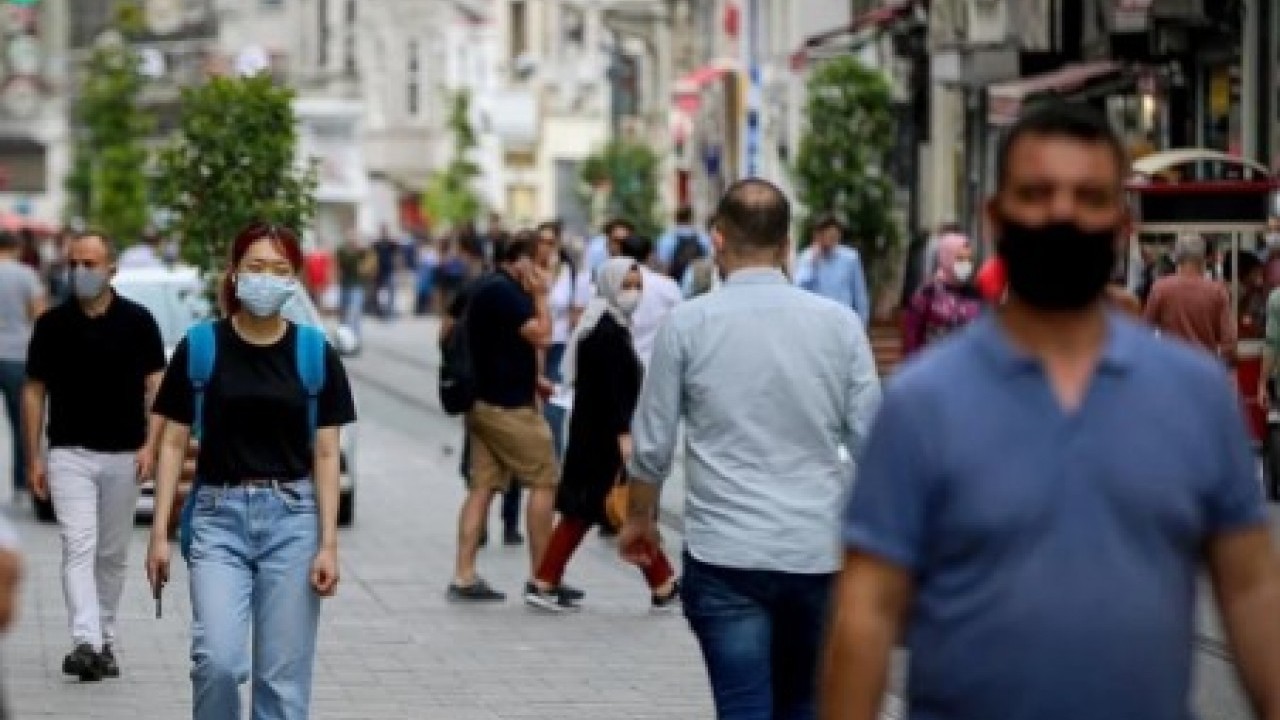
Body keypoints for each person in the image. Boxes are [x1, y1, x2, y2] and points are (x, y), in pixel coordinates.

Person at [824, 104, 1280, 720]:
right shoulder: (922, 404)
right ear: (997, 218)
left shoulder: (1194, 397)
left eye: (1088, 196)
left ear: (1121, 227)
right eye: (1037, 193)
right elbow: (867, 610)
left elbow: (1251, 589)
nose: (1062, 214)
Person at [623, 179, 882, 719]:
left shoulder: (686, 324)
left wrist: (640, 519)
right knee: (804, 704)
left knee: (742, 706)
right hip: (816, 548)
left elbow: (652, 443)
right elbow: (871, 440)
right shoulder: (839, 325)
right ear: (788, 245)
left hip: (726, 553)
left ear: (718, 239)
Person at [145, 221, 356, 720]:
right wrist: (159, 533)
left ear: (295, 279)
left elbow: (327, 454)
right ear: (235, 274)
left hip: (293, 519)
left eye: (280, 269)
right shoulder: (200, 347)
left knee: (280, 683)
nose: (266, 278)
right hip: (217, 518)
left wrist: (328, 543)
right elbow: (173, 440)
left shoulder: (314, 352)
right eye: (256, 266)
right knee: (217, 662)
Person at [24, 232, 166, 681]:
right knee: (78, 545)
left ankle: (103, 636)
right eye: (74, 263)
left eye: (89, 263)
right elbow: (33, 392)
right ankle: (85, 640)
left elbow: (157, 388)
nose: (80, 271)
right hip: (69, 452)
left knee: (112, 552)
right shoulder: (51, 325)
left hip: (125, 454)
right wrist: (34, 456)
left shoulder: (139, 322)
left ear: (111, 270)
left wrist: (151, 445)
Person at [526, 257, 678, 612]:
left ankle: (663, 583)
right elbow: (612, 391)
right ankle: (546, 581)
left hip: (594, 437)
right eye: (626, 285)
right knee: (615, 510)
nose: (634, 293)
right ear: (609, 285)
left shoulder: (608, 324)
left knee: (603, 511)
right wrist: (624, 434)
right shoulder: (606, 331)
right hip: (602, 441)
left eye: (638, 285)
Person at [448, 234, 563, 603]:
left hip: (484, 402)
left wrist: (534, 379)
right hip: (506, 408)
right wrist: (542, 297)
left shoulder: (484, 286)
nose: (546, 273)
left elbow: (496, 344)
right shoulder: (507, 293)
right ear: (522, 261)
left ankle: (464, 576)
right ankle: (542, 578)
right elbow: (543, 337)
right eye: (541, 263)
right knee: (544, 479)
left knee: (483, 486)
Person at [442, 236, 524, 546]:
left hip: (477, 391)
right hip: (504, 392)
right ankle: (509, 524)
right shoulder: (515, 293)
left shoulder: (476, 286)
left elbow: (445, 329)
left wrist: (453, 365)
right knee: (515, 461)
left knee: (478, 462)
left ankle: (484, 528)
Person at [1143, 233, 1235, 360]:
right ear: (1203, 258)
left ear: (1176, 258)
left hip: (1171, 365)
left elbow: (1145, 330)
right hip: (1205, 366)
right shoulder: (1217, 291)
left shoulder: (1160, 288)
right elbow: (1229, 341)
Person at [0, 231, 44, 496]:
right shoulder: (26, 275)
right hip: (17, 354)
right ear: (16, 248)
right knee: (22, 422)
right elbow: (39, 314)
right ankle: (20, 481)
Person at [901, 232, 982, 356]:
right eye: (960, 259)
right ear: (946, 258)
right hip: (935, 368)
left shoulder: (976, 293)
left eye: (968, 260)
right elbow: (912, 339)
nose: (966, 265)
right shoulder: (927, 294)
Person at [616, 235, 682, 368]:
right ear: (650, 255)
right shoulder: (668, 286)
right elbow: (681, 323)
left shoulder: (609, 286)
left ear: (621, 254)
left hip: (619, 363)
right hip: (656, 363)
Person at [795, 214, 871, 325]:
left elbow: (860, 294)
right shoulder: (806, 257)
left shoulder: (850, 258)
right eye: (829, 236)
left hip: (843, 320)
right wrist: (812, 264)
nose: (833, 239)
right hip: (816, 321)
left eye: (836, 235)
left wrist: (862, 324)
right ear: (818, 235)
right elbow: (799, 288)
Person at [334, 231, 374, 345]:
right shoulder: (342, 250)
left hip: (357, 286)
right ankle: (343, 338)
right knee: (343, 313)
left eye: (355, 237)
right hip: (344, 285)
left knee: (355, 312)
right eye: (350, 237)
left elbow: (370, 264)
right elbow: (337, 265)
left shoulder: (363, 251)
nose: (353, 239)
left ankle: (355, 339)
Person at [656, 206, 712, 281]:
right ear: (691, 218)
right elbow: (709, 260)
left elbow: (664, 266)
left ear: (676, 219)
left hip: (677, 284)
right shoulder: (703, 238)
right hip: (700, 284)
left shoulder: (667, 239)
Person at [371, 224, 402, 319]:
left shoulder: (392, 243)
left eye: (385, 231)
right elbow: (371, 257)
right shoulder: (376, 244)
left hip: (389, 270)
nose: (383, 233)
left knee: (391, 291)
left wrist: (399, 268)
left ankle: (389, 312)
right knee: (377, 292)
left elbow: (397, 255)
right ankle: (379, 311)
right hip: (378, 271)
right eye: (382, 231)